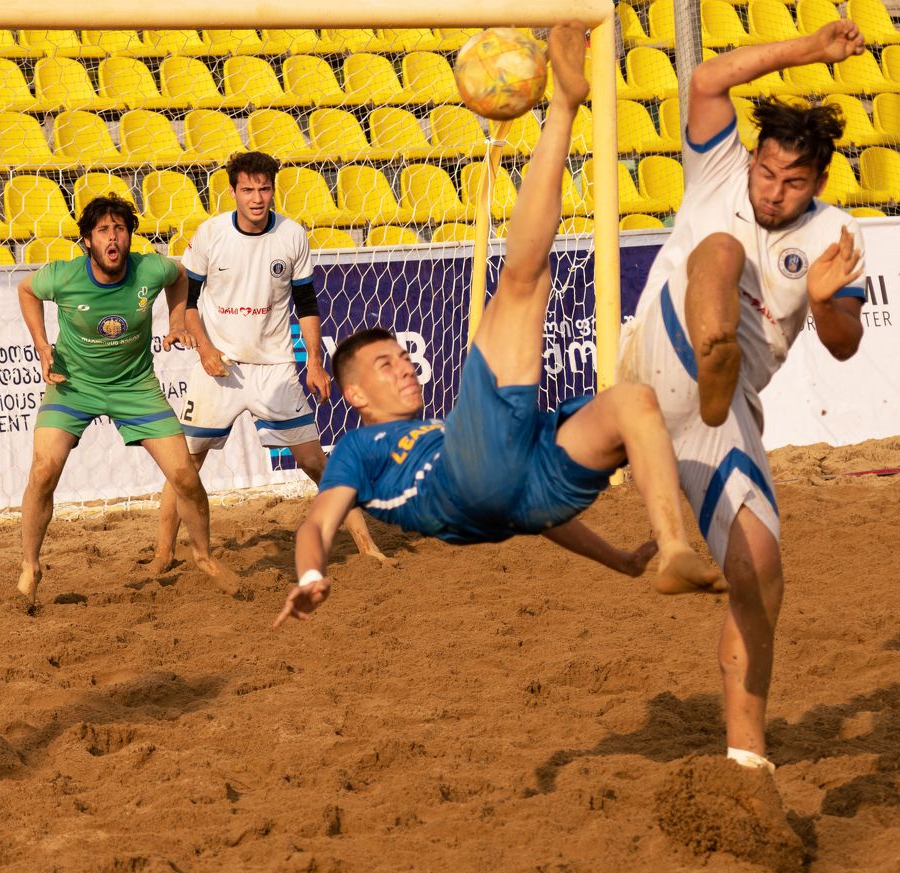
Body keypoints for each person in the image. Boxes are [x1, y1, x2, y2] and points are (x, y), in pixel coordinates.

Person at [275, 22, 725, 629]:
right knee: (520, 282)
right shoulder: (358, 448)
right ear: (353, 395)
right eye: (386, 365)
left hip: (527, 493)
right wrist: (310, 575)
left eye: (403, 358)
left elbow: (529, 512)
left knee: (633, 403)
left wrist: (619, 560)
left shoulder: (438, 431)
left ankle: (673, 549)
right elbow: (317, 523)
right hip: (470, 479)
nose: (406, 367)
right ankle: (563, 107)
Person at [616, 20, 867, 772]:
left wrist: (824, 303)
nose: (772, 189)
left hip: (721, 417)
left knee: (761, 573)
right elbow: (706, 80)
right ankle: (714, 346)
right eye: (766, 172)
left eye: (792, 182)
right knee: (719, 250)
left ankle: (745, 759)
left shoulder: (833, 233)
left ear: (817, 182)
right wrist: (808, 49)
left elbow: (847, 343)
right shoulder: (718, 172)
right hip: (657, 361)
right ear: (752, 160)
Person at [151, 150, 383, 573]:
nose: (257, 198)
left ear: (273, 190)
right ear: (233, 191)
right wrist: (204, 349)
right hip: (217, 368)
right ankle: (163, 553)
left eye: (264, 189)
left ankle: (367, 546)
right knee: (185, 464)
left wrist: (313, 361)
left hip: (274, 368)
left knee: (315, 462)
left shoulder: (292, 235)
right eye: (248, 190)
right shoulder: (210, 234)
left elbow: (306, 302)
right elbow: (189, 300)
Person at [17, 194, 222, 605]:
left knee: (185, 476)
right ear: (88, 241)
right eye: (103, 230)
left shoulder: (149, 267)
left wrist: (177, 320)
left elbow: (180, 276)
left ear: (129, 235)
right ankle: (30, 566)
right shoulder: (63, 276)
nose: (114, 237)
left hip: (135, 386)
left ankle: (203, 556)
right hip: (73, 384)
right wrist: (41, 344)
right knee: (43, 472)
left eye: (121, 228)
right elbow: (26, 290)